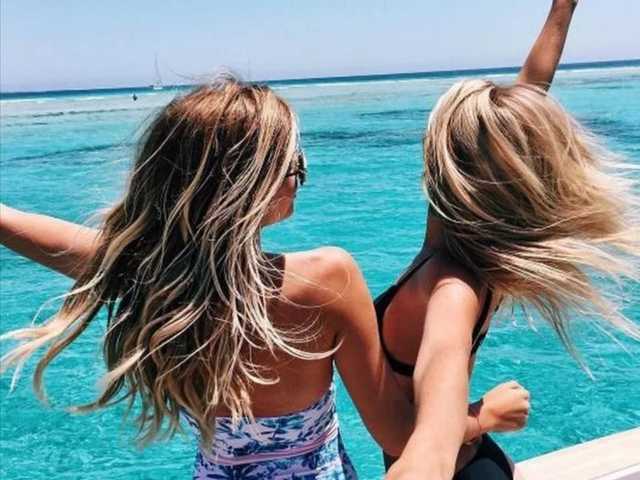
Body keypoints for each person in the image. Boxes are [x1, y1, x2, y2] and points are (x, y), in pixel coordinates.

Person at [0, 77, 525, 478]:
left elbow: (40, 233)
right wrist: (483, 416)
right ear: (252, 183)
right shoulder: (326, 280)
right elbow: (399, 433)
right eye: (292, 158)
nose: (300, 168)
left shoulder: (156, 278)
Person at [384, 1, 640, 479]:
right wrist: (563, 7)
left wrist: (481, 419)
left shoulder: (452, 290)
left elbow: (423, 447)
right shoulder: (453, 245)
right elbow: (529, 95)